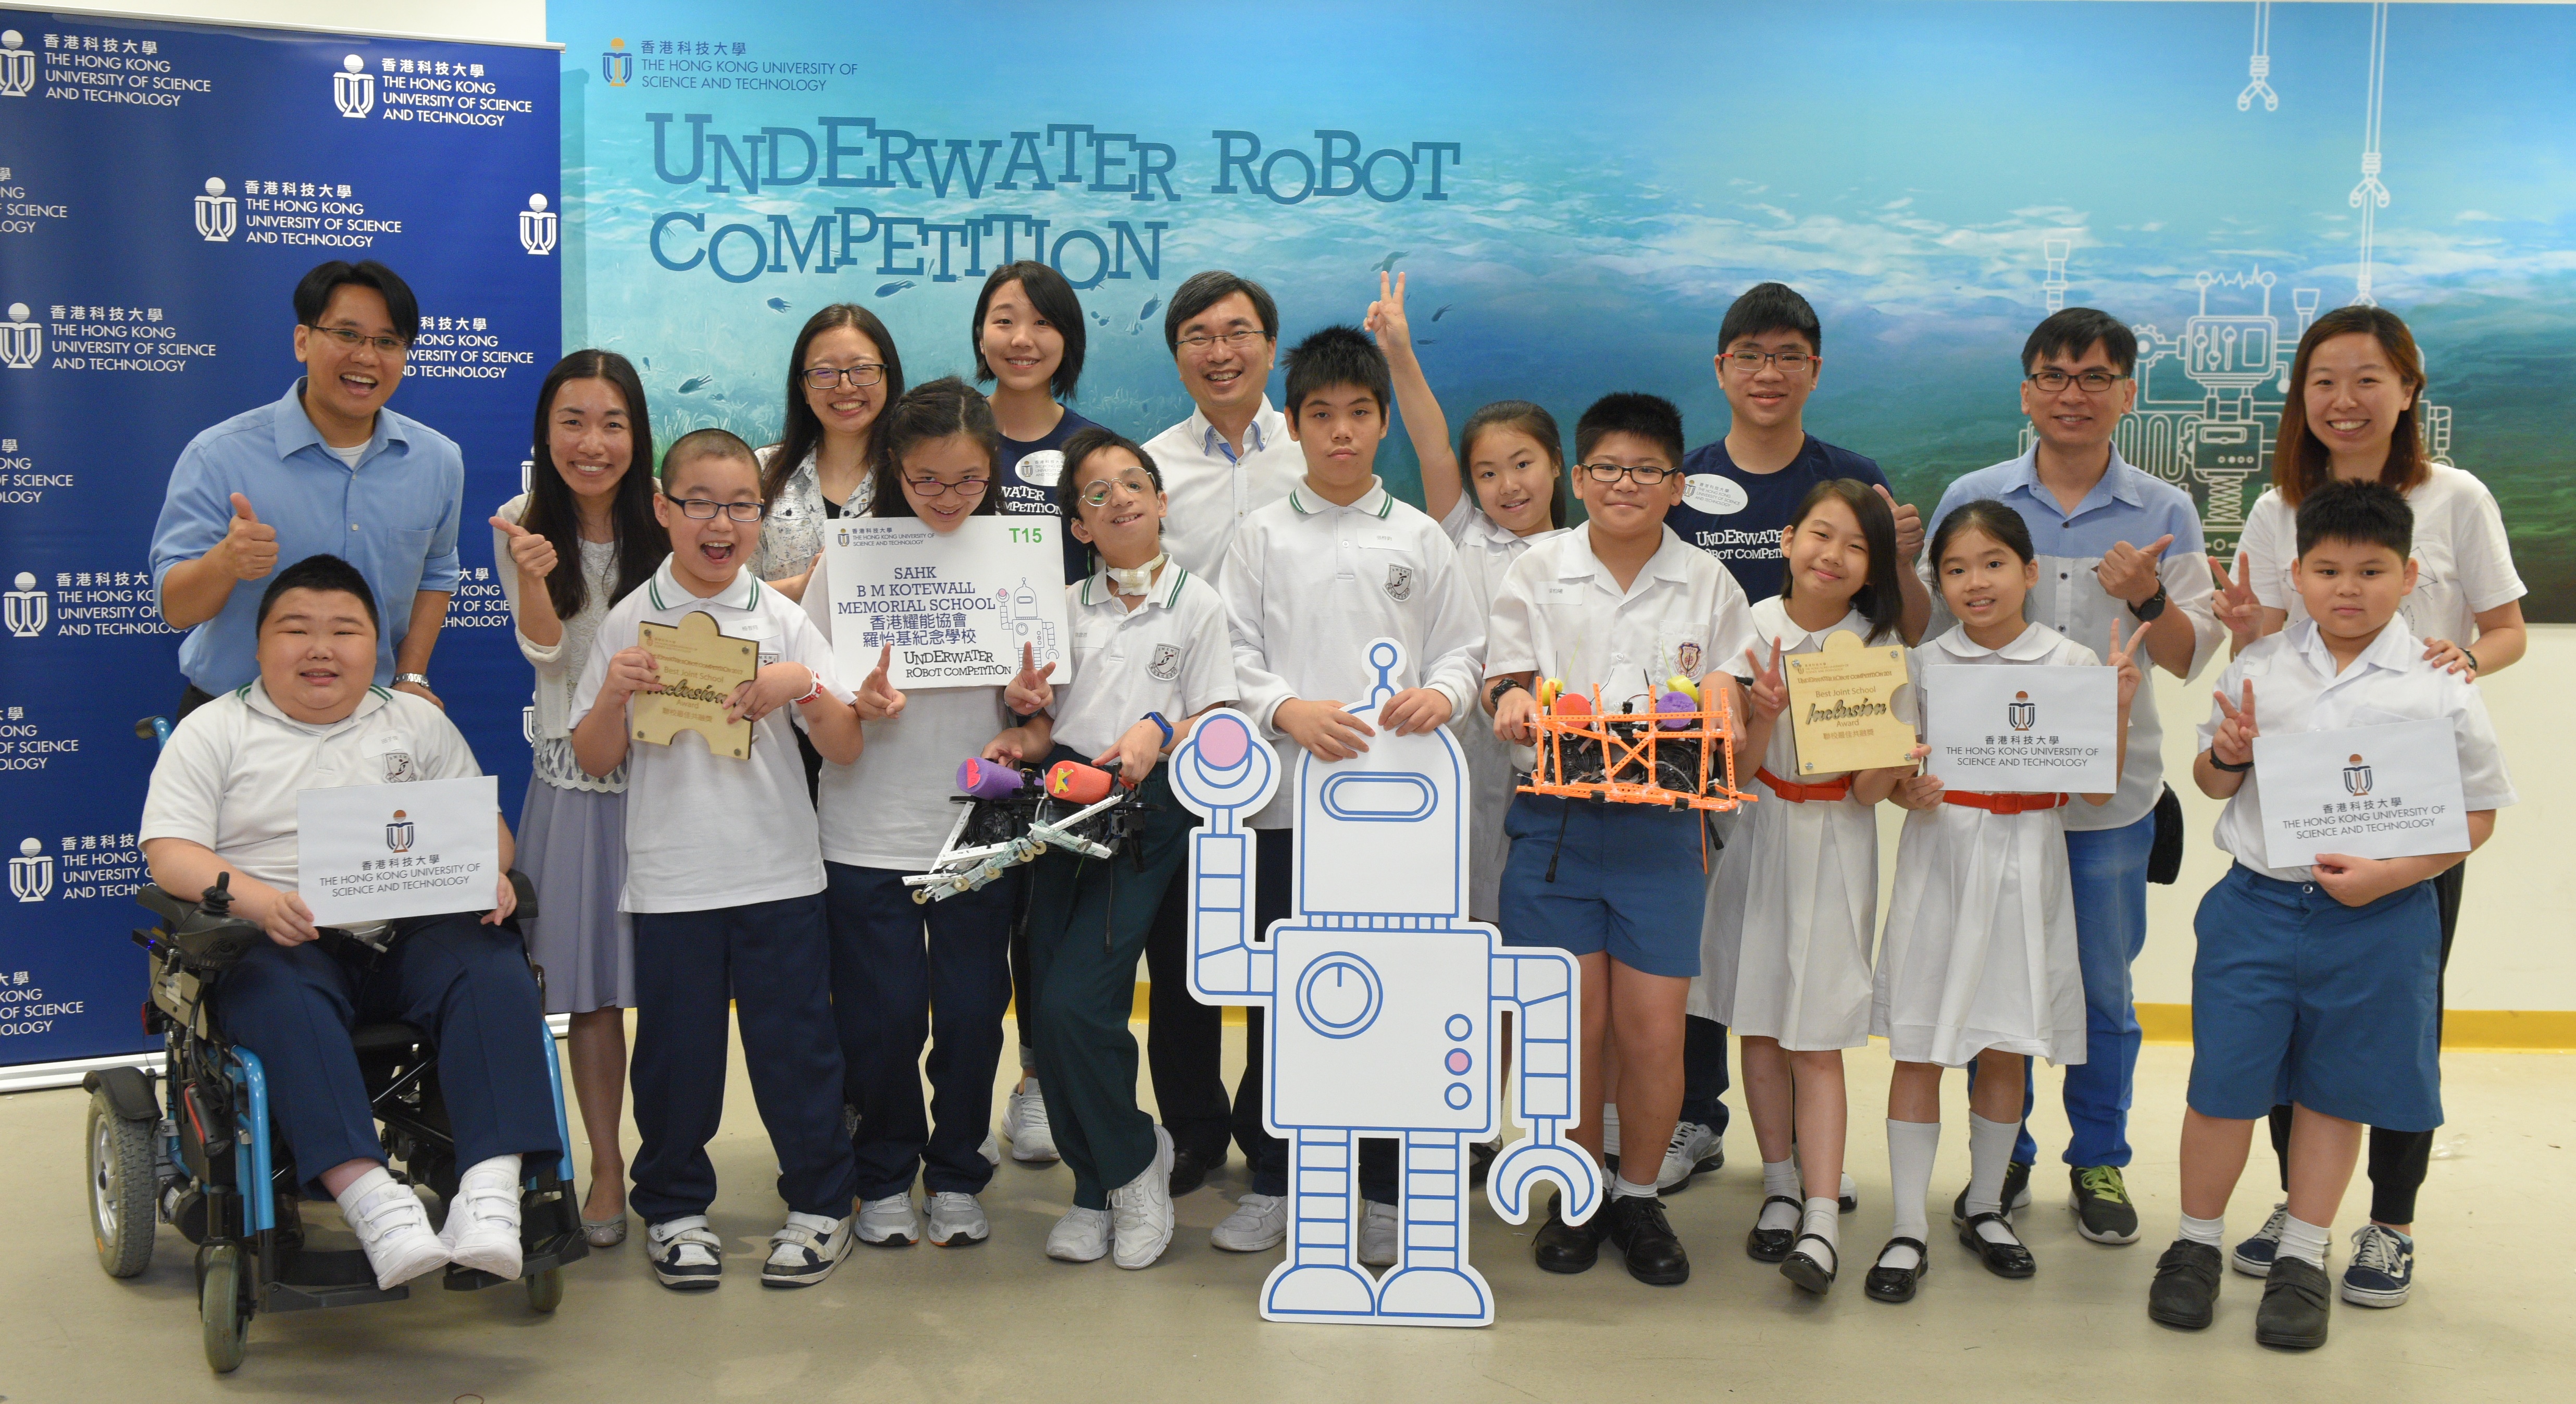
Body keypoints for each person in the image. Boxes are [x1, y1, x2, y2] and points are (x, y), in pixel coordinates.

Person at [2148, 480, 2511, 1350]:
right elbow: (2209, 781)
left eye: (2372, 570)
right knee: (2223, 1086)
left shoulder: (2440, 681)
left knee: (2334, 1091)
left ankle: (2304, 1257)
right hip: (2257, 908)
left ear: (2410, 575)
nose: (2349, 588)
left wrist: (2391, 876)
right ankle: (2196, 1247)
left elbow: (2480, 814)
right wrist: (2227, 758)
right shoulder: (2257, 668)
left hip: (2380, 921)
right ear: (2297, 575)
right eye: (2328, 570)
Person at [2214, 307, 2527, 1308]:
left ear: (2407, 388)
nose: (2343, 402)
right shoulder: (2276, 509)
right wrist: (2239, 627)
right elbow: (2267, 650)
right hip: (2300, 796)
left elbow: (2507, 629)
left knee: (2396, 1022)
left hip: (2413, 805)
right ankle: (2298, 1210)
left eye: (2365, 380)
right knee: (2291, 1024)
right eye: (2322, 383)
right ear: (2300, 399)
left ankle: (2390, 1219)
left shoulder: (2456, 497)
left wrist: (2465, 659)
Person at [137, 554, 559, 1292]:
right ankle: (376, 1204)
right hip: (282, 934)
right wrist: (256, 897)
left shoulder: (415, 722)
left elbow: (484, 826)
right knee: (278, 991)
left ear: (378, 646)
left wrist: (488, 868)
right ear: (261, 643)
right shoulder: (216, 729)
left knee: (491, 961)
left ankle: (489, 1197)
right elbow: (169, 851)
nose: (321, 648)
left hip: (410, 928)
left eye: (345, 630)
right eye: (296, 629)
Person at [1919, 307, 2222, 1246]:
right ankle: (2000, 1153)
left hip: (2106, 802)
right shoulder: (1976, 495)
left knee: (2101, 991)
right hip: (1983, 799)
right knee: (1988, 980)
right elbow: (1936, 642)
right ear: (2026, 392)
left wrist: (2147, 594)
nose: (2073, 394)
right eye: (2054, 376)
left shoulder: (2165, 510)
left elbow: (2185, 656)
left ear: (2128, 394)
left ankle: (2098, 1156)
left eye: (2096, 377)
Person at [567, 429, 866, 1291]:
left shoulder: (785, 620)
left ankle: (820, 1203)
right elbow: (593, 759)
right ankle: (674, 1208)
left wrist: (801, 687)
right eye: (701, 502)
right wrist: (618, 693)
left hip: (780, 872)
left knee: (798, 1049)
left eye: (743, 505)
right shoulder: (629, 620)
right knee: (675, 1056)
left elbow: (844, 747)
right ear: (663, 509)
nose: (722, 522)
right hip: (671, 882)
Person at [1212, 326, 1483, 1263]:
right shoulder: (1257, 538)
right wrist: (1285, 708)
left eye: (1358, 415)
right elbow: (1232, 656)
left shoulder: (1416, 536)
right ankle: (1277, 1179)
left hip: (1399, 820)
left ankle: (1382, 1186)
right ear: (1292, 426)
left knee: (1392, 999)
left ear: (1380, 425)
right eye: (1320, 416)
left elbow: (1463, 650)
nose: (1340, 433)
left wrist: (1441, 694)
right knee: (1295, 998)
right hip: (1287, 813)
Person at [1485, 391, 1761, 1288]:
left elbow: (1732, 707)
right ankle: (1579, 1194)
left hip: (1662, 838)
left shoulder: (1710, 584)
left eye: (1647, 470)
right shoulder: (1535, 569)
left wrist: (1732, 704)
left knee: (1650, 1035)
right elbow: (1507, 685)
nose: (1625, 484)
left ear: (1679, 485)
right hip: (1556, 832)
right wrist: (1515, 704)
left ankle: (1639, 1197)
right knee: (1570, 1031)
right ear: (1579, 477)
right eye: (1606, 468)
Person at [1665, 281, 1929, 1198]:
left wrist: (1897, 749)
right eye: (1750, 356)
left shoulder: (1855, 479)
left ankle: (1804, 1177)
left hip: (1828, 807)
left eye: (1788, 357)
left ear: (1814, 369)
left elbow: (1903, 620)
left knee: (1801, 1001)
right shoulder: (1683, 482)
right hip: (1714, 771)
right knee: (1715, 970)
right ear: (1722, 368)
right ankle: (1699, 1123)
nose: (1768, 374)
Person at [1870, 501, 2146, 1303]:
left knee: (2005, 1041)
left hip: (2029, 862)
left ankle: (1986, 1205)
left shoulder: (2066, 662)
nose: (1973, 581)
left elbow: (2094, 786)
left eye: (1992, 562)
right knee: (1919, 1043)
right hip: (1943, 861)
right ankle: (1908, 1223)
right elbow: (1893, 784)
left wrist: (2117, 707)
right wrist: (1908, 790)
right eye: (1954, 568)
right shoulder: (1922, 664)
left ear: (2029, 571)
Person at [982, 427, 1239, 1269]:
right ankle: (1094, 1187)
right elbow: (1041, 716)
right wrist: (1022, 724)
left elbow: (1221, 714)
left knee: (1080, 1003)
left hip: (1150, 813)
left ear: (1163, 503)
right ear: (1081, 527)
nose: (1120, 497)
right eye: (1097, 494)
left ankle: (1132, 1165)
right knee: (1048, 1006)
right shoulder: (1062, 605)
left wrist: (1159, 729)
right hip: (1061, 808)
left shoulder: (1200, 603)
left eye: (1135, 484)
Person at [801, 379, 1020, 1249]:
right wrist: (857, 703)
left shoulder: (1017, 557)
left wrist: (1030, 704)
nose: (946, 501)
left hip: (975, 827)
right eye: (927, 482)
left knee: (970, 1012)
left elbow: (1046, 713)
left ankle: (958, 1168)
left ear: (991, 470)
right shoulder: (847, 560)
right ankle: (885, 1170)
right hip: (864, 828)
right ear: (894, 468)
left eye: (966, 482)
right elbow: (809, 703)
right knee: (883, 1018)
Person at [1703, 481, 1919, 1296]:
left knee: (1817, 1029)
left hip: (1837, 839)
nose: (1833, 554)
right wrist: (1759, 711)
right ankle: (1780, 1182)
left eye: (1856, 546)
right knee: (1758, 1021)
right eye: (1820, 535)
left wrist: (1899, 758)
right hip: (1756, 833)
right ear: (1788, 539)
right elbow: (1738, 769)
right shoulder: (1747, 629)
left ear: (1872, 569)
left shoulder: (1879, 646)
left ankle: (1822, 1216)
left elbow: (1870, 791)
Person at [1138, 271, 1309, 1197]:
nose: (1220, 350)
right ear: (1178, 357)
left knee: (1284, 956)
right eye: (1198, 335)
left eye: (1239, 331)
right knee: (1185, 961)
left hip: (1292, 759)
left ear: (1270, 347)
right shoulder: (1149, 467)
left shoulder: (1315, 460)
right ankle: (1194, 1130)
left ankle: (1275, 1135)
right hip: (1183, 755)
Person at [489, 350, 664, 1248]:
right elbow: (548, 658)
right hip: (579, 782)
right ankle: (606, 1164)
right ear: (545, 430)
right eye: (573, 422)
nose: (592, 443)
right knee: (592, 995)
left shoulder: (670, 513)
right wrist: (530, 570)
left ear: (637, 433)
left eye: (612, 423)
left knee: (676, 990)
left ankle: (678, 1167)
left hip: (679, 779)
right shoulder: (521, 521)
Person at [151, 260, 462, 717]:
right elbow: (176, 609)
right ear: (303, 341)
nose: (366, 357)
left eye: (388, 342)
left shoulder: (437, 460)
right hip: (235, 717)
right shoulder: (219, 454)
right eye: (348, 335)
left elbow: (436, 574)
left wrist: (410, 676)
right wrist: (225, 562)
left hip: (368, 716)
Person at [1375, 270, 1568, 940]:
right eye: (1487, 473)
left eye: (1523, 464)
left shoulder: (1584, 552)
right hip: (1459, 750)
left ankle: (1520, 1049)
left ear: (1557, 466)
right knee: (1459, 917)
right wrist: (1399, 351)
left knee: (1532, 926)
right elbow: (1431, 442)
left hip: (1548, 757)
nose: (1507, 486)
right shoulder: (1462, 535)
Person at [973, 260, 1107, 1166]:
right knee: (966, 897)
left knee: (1041, 900)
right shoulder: (945, 428)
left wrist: (1052, 703)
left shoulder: (1096, 450)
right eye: (1003, 320)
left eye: (1041, 323)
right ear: (980, 333)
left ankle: (1033, 1082)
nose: (1021, 340)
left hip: (1062, 707)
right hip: (947, 701)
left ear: (1067, 340)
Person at [751, 305, 905, 597]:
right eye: (825, 372)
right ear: (803, 387)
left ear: (889, 376)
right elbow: (731, 594)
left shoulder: (920, 475)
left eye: (862, 369)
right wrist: (803, 587)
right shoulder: (761, 471)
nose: (845, 387)